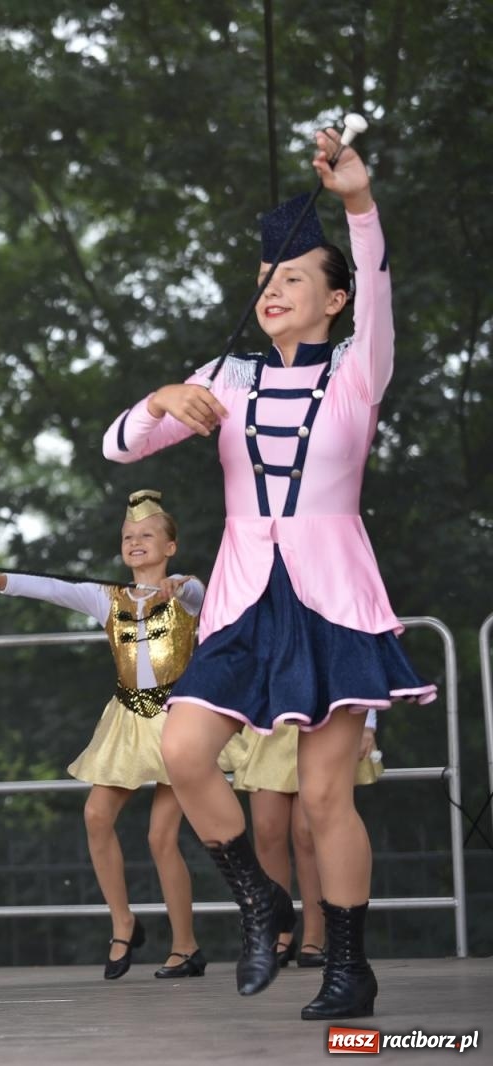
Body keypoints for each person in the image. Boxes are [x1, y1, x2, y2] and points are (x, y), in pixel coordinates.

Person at [104, 131, 435, 1019]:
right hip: (246, 601)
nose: (274, 288)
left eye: (294, 277)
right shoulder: (225, 378)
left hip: (333, 598)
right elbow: (117, 444)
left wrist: (358, 201)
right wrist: (157, 401)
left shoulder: (360, 370)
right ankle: (259, 898)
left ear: (334, 298)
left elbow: (379, 274)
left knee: (327, 797)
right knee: (182, 748)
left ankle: (348, 967)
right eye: (265, 277)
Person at [0, 490, 207, 981]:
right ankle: (123, 922)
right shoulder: (107, 598)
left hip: (178, 722)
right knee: (96, 815)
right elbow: (50, 587)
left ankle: (186, 945)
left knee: (161, 836)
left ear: (171, 546)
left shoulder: (187, 591)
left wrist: (177, 587)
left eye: (148, 535)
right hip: (129, 722)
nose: (136, 542)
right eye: (129, 536)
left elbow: (198, 595)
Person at [233, 712, 382, 968]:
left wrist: (367, 726)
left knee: (307, 833)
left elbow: (354, 671)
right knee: (267, 829)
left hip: (319, 718)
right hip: (268, 721)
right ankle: (280, 933)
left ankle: (315, 935)